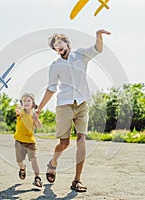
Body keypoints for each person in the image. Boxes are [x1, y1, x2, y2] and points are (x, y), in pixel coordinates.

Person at [37, 29, 111, 192]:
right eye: (55, 46)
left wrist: (98, 37)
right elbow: (51, 89)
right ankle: (53, 162)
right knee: (64, 143)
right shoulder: (55, 66)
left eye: (59, 43)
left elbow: (97, 49)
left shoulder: (81, 55)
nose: (58, 47)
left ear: (66, 43)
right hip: (64, 105)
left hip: (82, 103)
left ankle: (77, 180)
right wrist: (39, 109)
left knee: (81, 140)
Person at [13, 93, 42, 187]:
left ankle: (37, 177)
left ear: (33, 103)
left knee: (34, 159)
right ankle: (22, 168)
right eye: (24, 101)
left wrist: (36, 119)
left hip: (30, 142)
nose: (26, 102)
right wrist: (18, 109)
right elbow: (17, 111)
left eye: (28, 100)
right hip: (19, 141)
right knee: (19, 160)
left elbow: (39, 126)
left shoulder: (34, 114)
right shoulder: (21, 112)